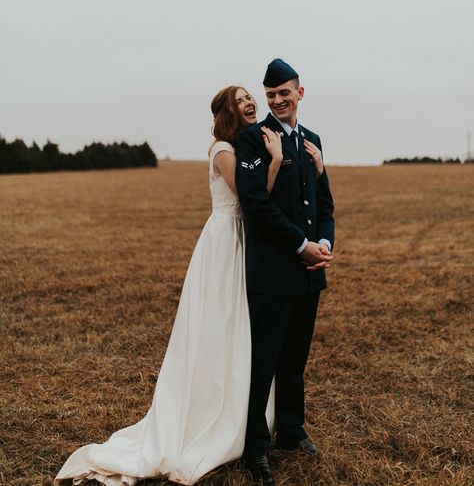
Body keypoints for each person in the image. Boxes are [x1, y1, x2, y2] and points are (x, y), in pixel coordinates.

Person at [54, 84, 324, 486]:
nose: (250, 103)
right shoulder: (224, 150)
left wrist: (309, 168)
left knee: (244, 333)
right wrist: (276, 162)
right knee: (219, 327)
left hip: (249, 245)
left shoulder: (251, 144)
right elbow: (252, 201)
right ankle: (213, 415)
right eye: (241, 100)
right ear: (228, 112)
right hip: (226, 243)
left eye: (252, 97)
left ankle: (254, 418)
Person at [236, 58, 335, 486]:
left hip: (310, 273)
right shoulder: (252, 140)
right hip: (273, 273)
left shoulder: (312, 140)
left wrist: (325, 244)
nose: (277, 101)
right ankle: (255, 447)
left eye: (284, 93)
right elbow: (256, 206)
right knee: (264, 362)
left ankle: (291, 432)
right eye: (270, 95)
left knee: (295, 360)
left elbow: (324, 203)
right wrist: (301, 245)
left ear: (300, 92)